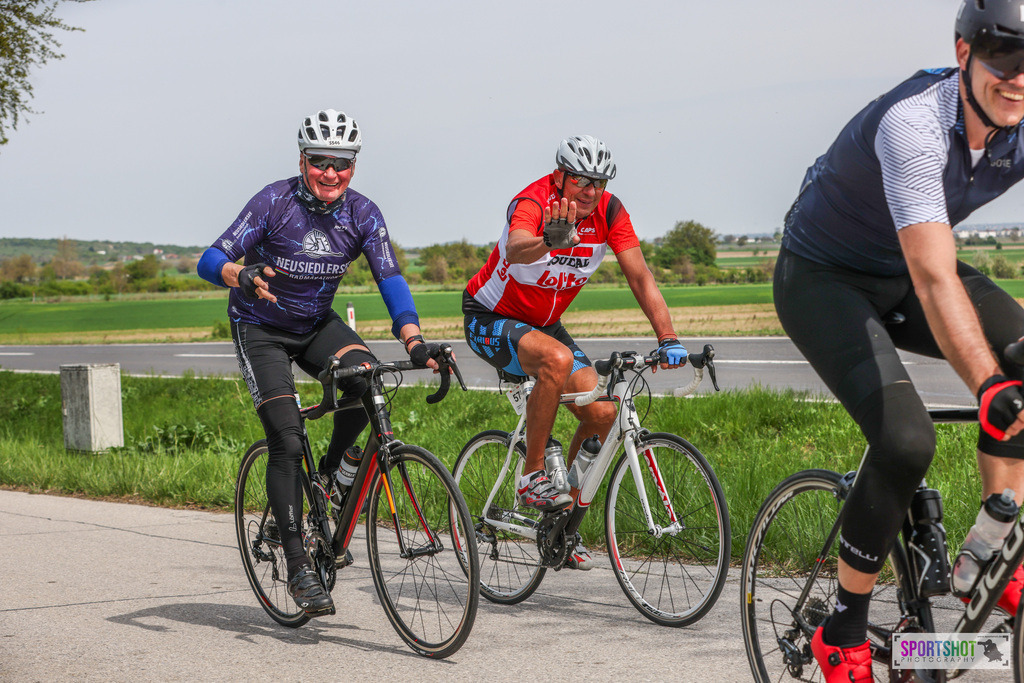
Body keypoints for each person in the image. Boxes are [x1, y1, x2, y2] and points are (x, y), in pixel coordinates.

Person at [774, 2, 1024, 679]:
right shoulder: (914, 123)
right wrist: (987, 384)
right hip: (825, 277)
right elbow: (935, 276)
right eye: (1005, 55)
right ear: (964, 53)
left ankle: (990, 547)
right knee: (908, 439)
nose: (1020, 77)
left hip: (903, 268)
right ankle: (843, 627)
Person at [197, 109, 440, 616]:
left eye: (342, 163)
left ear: (353, 165)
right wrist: (238, 273)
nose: (331, 173)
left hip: (313, 324)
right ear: (303, 159)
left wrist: (414, 339)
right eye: (321, 162)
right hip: (259, 327)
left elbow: (389, 278)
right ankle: (297, 566)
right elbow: (210, 258)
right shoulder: (274, 201)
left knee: (367, 378)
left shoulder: (363, 213)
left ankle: (330, 474)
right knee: (286, 439)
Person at [462, 135, 687, 570]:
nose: (591, 191)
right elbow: (515, 246)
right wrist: (551, 239)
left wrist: (668, 337)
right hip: (489, 317)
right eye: (582, 180)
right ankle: (531, 477)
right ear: (561, 175)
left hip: (545, 326)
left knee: (603, 414)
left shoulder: (609, 211)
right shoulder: (533, 199)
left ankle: (560, 521)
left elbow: (640, 276)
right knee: (556, 360)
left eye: (600, 181)